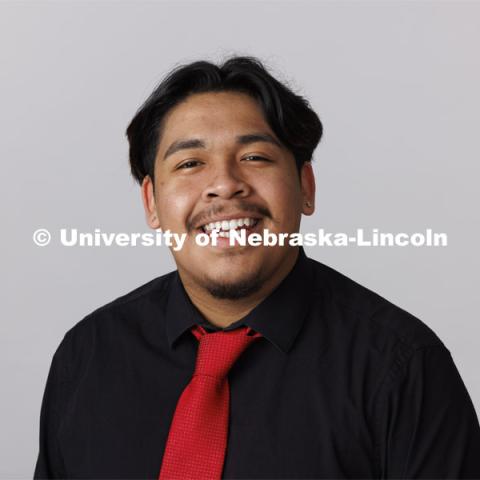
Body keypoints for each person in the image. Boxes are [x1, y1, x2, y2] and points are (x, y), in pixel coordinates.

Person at [34, 56, 480, 479]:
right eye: (190, 163)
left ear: (306, 187)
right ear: (152, 202)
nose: (225, 184)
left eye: (255, 157)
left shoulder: (403, 368)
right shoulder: (87, 356)